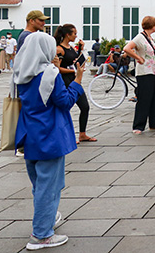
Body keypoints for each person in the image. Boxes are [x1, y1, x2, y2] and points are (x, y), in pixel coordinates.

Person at [13, 33, 85, 250]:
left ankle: (48, 218)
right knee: (49, 186)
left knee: (39, 184)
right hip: (50, 134)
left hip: (29, 133)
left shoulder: (21, 72)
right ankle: (41, 235)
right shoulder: (50, 73)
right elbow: (64, 102)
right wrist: (78, 80)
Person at [54, 24, 95, 144]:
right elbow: (58, 68)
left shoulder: (71, 47)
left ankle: (82, 134)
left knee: (85, 107)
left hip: (74, 79)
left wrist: (80, 50)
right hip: (65, 80)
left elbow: (74, 61)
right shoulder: (59, 49)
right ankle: (66, 135)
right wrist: (74, 71)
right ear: (68, 34)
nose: (76, 36)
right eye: (74, 33)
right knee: (65, 109)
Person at [123, 16, 155, 134]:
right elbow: (127, 48)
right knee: (144, 98)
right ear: (153, 25)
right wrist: (138, 58)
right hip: (144, 71)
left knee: (154, 98)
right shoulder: (140, 37)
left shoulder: (150, 38)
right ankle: (138, 126)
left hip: (154, 71)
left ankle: (154, 123)